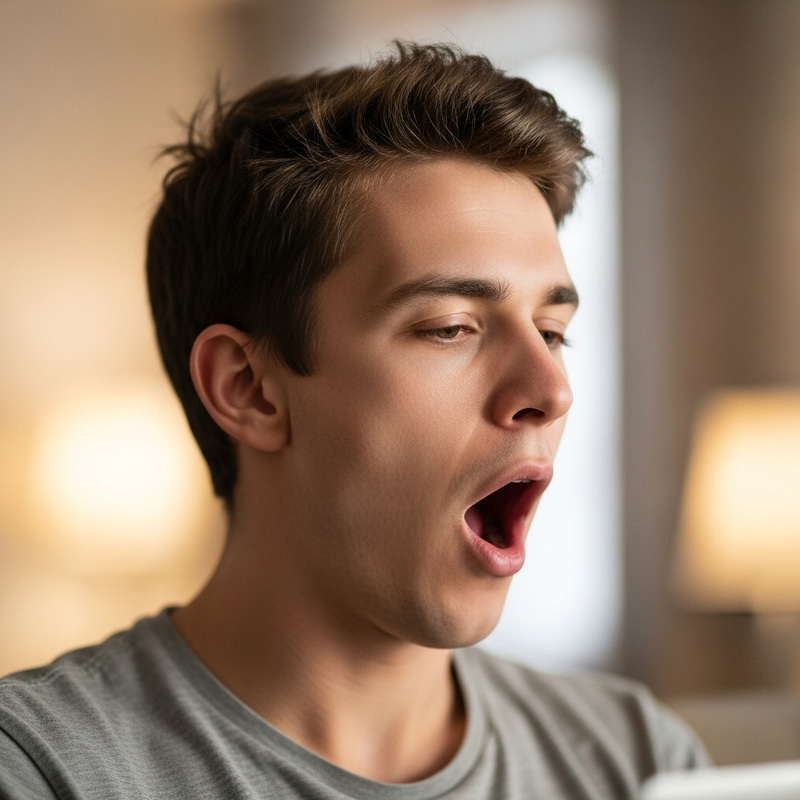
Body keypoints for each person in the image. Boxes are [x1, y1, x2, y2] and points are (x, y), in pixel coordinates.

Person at [0, 42, 708, 798]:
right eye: (449, 327)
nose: (550, 388)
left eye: (552, 330)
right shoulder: (42, 770)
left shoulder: (637, 761)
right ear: (249, 389)